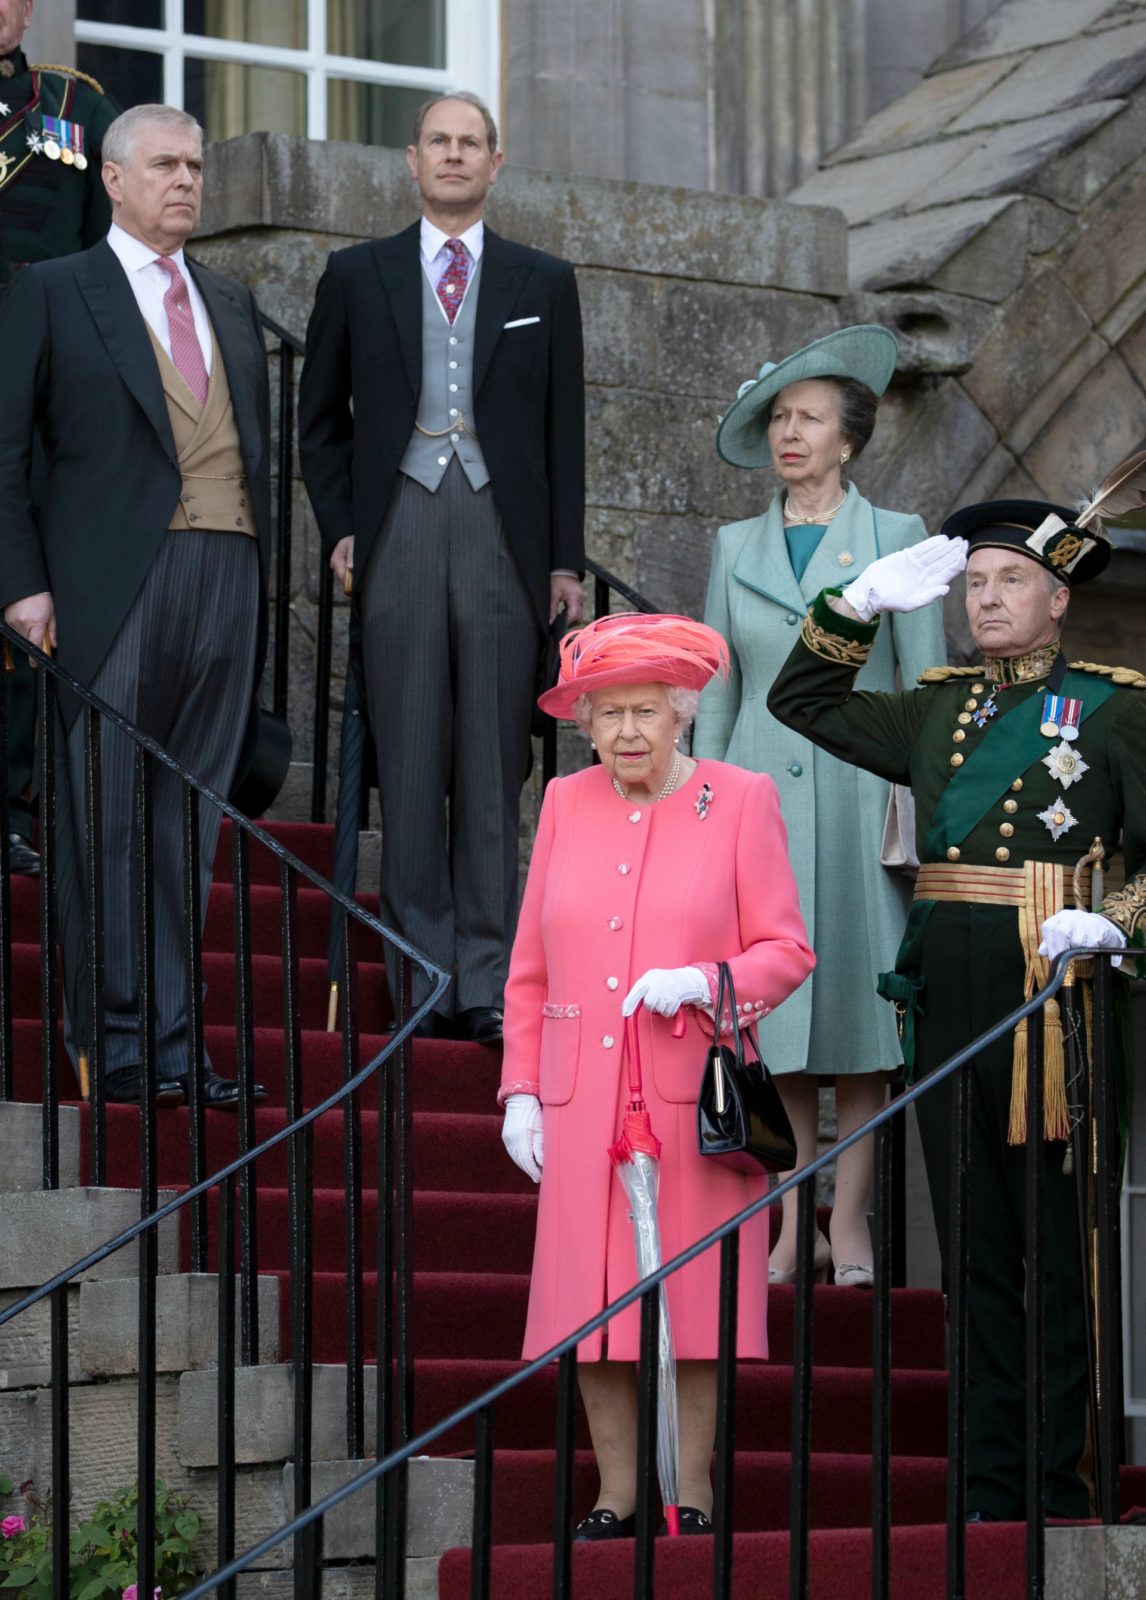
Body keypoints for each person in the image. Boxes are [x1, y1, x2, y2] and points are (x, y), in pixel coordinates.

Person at [767, 499, 1145, 1520]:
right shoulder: (934, 709)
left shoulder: (1116, 710)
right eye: (973, 584)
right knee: (974, 1238)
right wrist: (853, 605)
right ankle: (988, 1482)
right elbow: (800, 699)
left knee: (1059, 1244)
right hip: (946, 989)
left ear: (1059, 600)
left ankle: (1064, 1479)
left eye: (1010, 581)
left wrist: (1119, 922)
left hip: (1058, 987)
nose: (986, 599)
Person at [499, 612, 815, 1537]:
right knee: (589, 1306)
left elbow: (788, 951)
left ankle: (695, 1491)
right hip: (579, 1094)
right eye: (607, 715)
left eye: (644, 711)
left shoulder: (740, 797)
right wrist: (521, 1087)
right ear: (585, 725)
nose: (626, 732)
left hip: (690, 1095)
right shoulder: (565, 802)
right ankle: (617, 1493)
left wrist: (705, 983)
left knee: (695, 1300)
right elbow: (529, 965)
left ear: (682, 714)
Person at [0, 103, 274, 1108]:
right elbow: (4, 451)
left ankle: (172, 1046)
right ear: (111, 180)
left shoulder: (232, 302)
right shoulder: (55, 290)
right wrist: (23, 584)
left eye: (195, 165)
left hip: (228, 576)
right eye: (163, 164)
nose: (185, 181)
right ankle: (112, 1042)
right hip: (110, 583)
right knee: (103, 818)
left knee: (184, 826)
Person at [299, 90, 586, 1045]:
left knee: (495, 766)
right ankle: (422, 979)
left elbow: (564, 433)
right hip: (401, 528)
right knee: (411, 762)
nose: (455, 156)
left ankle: (488, 982)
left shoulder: (543, 281)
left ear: (495, 165)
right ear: (411, 161)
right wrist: (344, 527)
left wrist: (563, 562)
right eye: (440, 142)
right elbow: (319, 425)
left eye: (472, 144)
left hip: (504, 535)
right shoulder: (356, 274)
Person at [692, 325, 946, 1287]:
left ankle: (855, 1222)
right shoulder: (732, 545)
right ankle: (791, 1221)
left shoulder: (897, 539)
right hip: (757, 797)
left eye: (808, 420)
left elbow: (926, 684)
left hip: (859, 799)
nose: (788, 434)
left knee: (864, 1022)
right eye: (778, 419)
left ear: (849, 440)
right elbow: (717, 685)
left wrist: (931, 810)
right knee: (781, 1022)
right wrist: (702, 803)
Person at [0, 0, 120, 878]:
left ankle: (12, 802)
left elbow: (106, 253)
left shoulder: (73, 108)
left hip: (34, 383)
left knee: (20, 587)